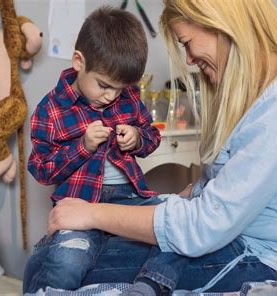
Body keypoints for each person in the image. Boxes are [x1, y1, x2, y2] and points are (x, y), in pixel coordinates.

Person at [26, 0, 277, 294]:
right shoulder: (261, 92)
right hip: (232, 234)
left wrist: (91, 212)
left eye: (187, 44)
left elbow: (206, 226)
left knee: (61, 265)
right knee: (51, 257)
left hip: (262, 253)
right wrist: (191, 197)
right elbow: (232, 192)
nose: (189, 60)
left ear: (220, 22)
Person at [23, 6, 190, 295]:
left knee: (182, 225)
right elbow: (41, 170)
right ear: (79, 62)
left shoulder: (128, 99)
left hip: (129, 200)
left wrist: (137, 138)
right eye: (104, 85)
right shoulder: (51, 109)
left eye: (121, 88)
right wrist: (82, 147)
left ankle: (149, 285)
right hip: (79, 204)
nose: (112, 96)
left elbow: (152, 137)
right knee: (67, 261)